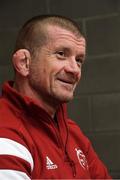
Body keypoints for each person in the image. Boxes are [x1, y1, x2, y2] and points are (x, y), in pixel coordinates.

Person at [0, 14, 111, 179]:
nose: (75, 70)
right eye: (61, 54)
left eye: (79, 60)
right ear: (24, 63)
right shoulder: (5, 132)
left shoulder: (72, 132)